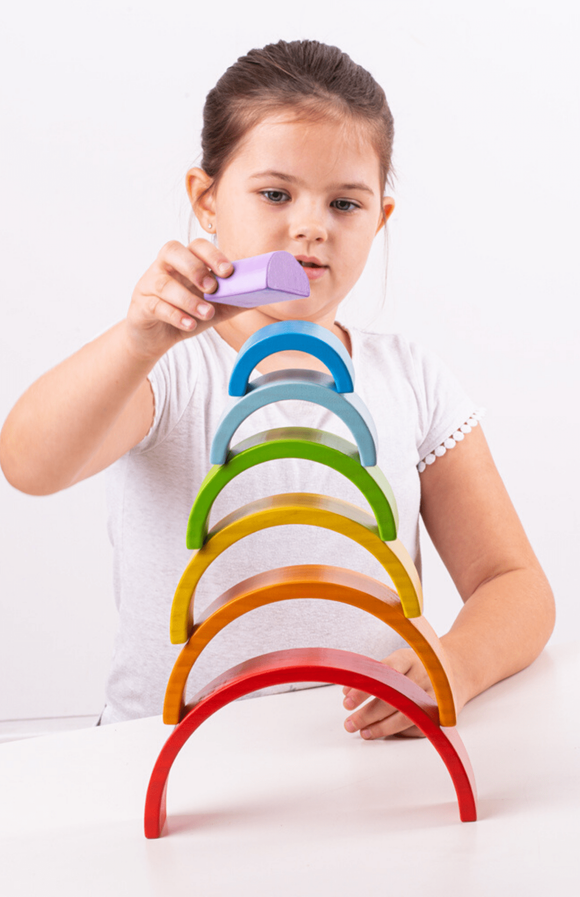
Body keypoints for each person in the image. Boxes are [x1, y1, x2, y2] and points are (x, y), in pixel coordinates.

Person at [0, 40, 554, 736]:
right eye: (275, 193)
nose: (310, 226)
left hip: (361, 751)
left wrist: (457, 663)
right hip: (171, 751)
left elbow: (515, 583)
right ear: (205, 199)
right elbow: (28, 463)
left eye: (345, 203)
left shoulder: (410, 378)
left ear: (379, 219)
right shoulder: (169, 367)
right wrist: (138, 339)